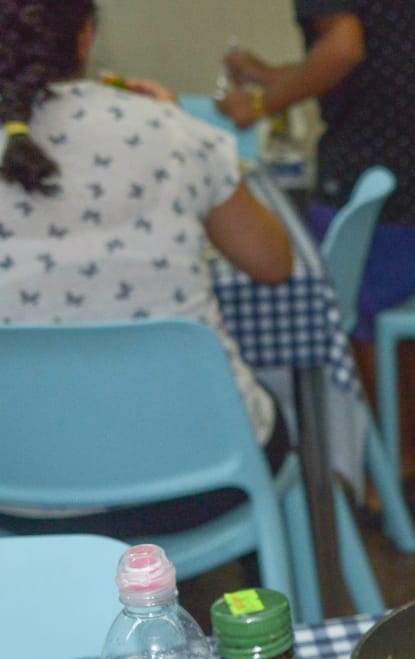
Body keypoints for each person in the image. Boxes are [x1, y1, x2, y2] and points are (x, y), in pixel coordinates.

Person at [0, 0, 294, 538]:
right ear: (85, 37)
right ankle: (255, 606)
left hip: (21, 496)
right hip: (203, 482)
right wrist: (179, 125)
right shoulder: (168, 130)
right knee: (267, 408)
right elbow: (274, 263)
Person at [220, 0, 415, 513]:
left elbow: (343, 49)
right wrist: (268, 76)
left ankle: (391, 471)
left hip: (378, 155)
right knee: (387, 307)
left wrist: (263, 104)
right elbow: (369, 58)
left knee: (358, 317)